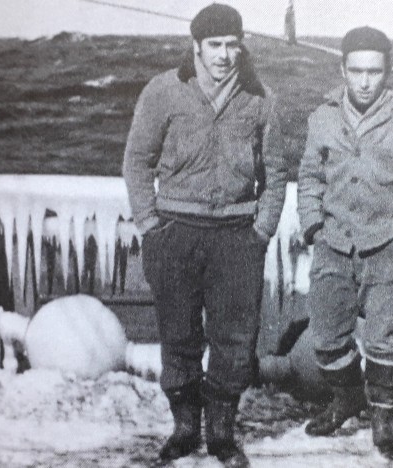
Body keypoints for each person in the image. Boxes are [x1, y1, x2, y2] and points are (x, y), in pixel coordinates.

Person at [122, 3, 287, 466]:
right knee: (179, 336)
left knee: (235, 340)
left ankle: (221, 434)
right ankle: (183, 428)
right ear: (196, 45)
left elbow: (275, 174)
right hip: (176, 233)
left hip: (237, 237)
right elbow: (137, 162)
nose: (224, 55)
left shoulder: (262, 99)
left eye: (233, 44)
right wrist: (152, 228)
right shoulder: (162, 92)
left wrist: (261, 232)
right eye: (215, 45)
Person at [297, 26, 393, 459]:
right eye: (356, 70)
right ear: (342, 69)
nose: (365, 81)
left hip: (385, 247)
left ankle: (383, 421)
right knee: (326, 337)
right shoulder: (321, 117)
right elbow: (308, 176)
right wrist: (312, 226)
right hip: (333, 243)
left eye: (374, 72)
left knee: (383, 339)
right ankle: (346, 398)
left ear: (388, 71)